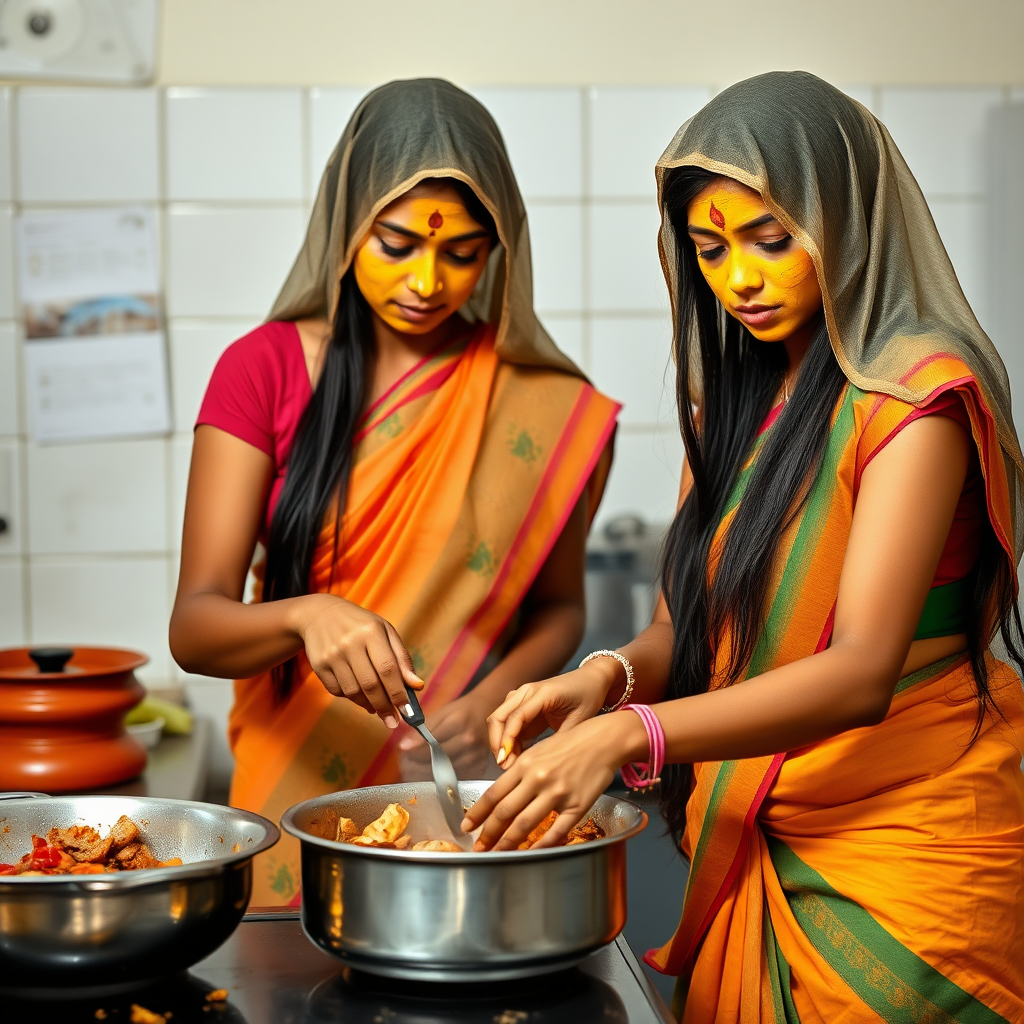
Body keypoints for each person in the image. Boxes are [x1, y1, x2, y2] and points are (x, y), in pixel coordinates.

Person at [463, 72, 1024, 1021]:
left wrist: (631, 734)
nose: (741, 279)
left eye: (772, 240)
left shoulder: (919, 399)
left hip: (908, 852)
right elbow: (682, 636)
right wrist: (601, 681)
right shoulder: (730, 405)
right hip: (762, 825)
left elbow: (859, 673)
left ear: (847, 219)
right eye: (710, 250)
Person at [169, 79, 619, 906]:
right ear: (347, 227)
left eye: (460, 252)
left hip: (465, 795)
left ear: (498, 249)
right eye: (397, 243)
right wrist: (306, 615)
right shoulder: (263, 369)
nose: (427, 279)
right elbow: (196, 626)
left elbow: (561, 611)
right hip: (291, 788)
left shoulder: (544, 404)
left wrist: (487, 703)